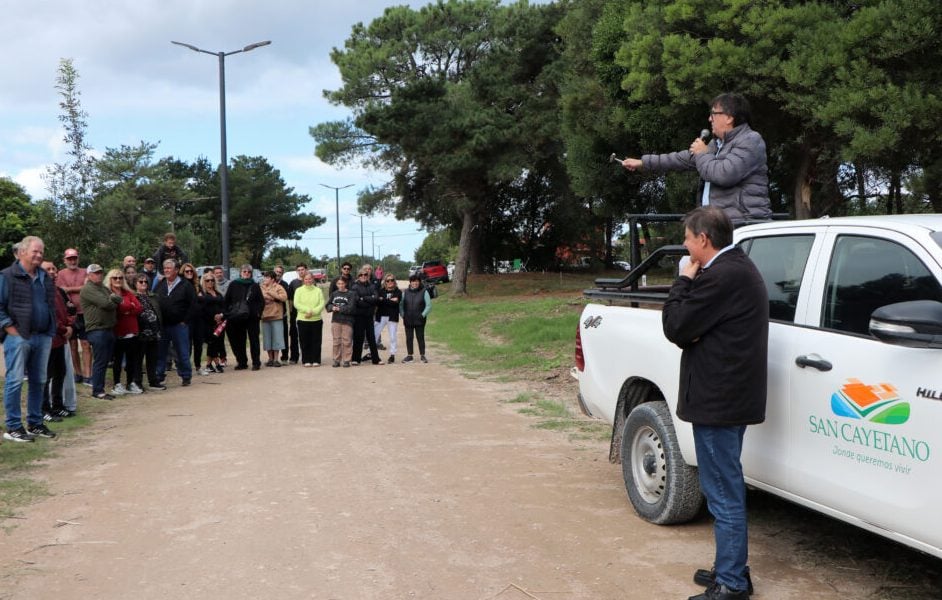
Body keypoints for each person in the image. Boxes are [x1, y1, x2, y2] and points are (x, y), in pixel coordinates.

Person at [661, 206, 768, 600]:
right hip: (727, 397)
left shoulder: (720, 276)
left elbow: (676, 326)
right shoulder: (735, 269)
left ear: (703, 239)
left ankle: (732, 584)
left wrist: (683, 281)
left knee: (722, 490)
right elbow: (693, 329)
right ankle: (731, 568)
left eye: (688, 239)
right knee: (724, 485)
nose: (686, 247)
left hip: (719, 402)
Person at [621, 93, 771, 225]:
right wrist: (643, 163)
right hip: (720, 227)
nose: (709, 119)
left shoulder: (751, 140)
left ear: (729, 118)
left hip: (743, 226)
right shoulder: (716, 144)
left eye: (713, 114)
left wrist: (702, 154)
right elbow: (681, 159)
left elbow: (724, 174)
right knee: (688, 258)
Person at [1, 236, 58, 441]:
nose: (39, 255)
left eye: (41, 251)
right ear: (23, 251)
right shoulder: (7, 275)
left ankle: (35, 423)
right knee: (15, 381)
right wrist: (10, 329)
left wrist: (52, 326)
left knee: (39, 381)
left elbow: (50, 304)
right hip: (18, 337)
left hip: (42, 336)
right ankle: (14, 427)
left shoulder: (44, 276)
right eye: (35, 251)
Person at [79, 263, 121, 400]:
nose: (99, 275)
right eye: (96, 273)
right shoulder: (88, 289)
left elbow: (118, 299)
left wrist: (112, 300)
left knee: (105, 360)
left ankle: (99, 388)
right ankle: (98, 390)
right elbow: (107, 304)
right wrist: (112, 300)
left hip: (107, 329)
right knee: (100, 361)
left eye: (100, 272)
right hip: (97, 329)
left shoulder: (103, 288)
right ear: (89, 275)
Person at [40, 260, 74, 421]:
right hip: (48, 339)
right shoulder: (40, 290)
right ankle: (44, 409)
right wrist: (63, 328)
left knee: (60, 372)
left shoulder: (58, 290)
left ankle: (58, 406)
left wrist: (70, 326)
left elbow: (67, 311)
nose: (53, 271)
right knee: (45, 376)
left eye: (54, 268)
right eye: (48, 269)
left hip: (60, 339)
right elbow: (49, 316)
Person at [154, 259, 196, 386]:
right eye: (164, 268)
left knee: (182, 351)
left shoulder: (186, 285)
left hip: (179, 325)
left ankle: (186, 376)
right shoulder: (161, 284)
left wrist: (185, 320)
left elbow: (193, 304)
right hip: (163, 325)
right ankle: (159, 376)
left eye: (169, 268)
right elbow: (154, 299)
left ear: (176, 270)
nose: (166, 270)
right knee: (160, 352)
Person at [57, 247, 92, 386]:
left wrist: (69, 289)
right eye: (69, 259)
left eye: (74, 258)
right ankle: (78, 373)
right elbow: (60, 291)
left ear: (78, 258)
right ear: (65, 260)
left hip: (84, 313)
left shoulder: (85, 272)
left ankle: (88, 375)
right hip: (69, 315)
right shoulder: (60, 273)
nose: (72, 261)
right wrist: (79, 287)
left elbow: (87, 287)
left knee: (86, 344)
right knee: (72, 345)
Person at [108, 268, 143, 396]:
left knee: (131, 359)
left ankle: (130, 383)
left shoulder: (127, 293)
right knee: (117, 360)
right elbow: (119, 309)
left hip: (132, 331)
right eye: (115, 278)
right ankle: (117, 383)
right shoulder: (109, 293)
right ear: (110, 280)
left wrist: (128, 309)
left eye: (120, 278)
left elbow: (139, 308)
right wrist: (128, 308)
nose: (118, 280)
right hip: (118, 331)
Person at [224, 265, 263, 371]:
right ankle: (242, 362)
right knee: (239, 341)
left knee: (254, 340)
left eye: (248, 272)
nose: (246, 273)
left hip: (252, 318)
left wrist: (258, 313)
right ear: (240, 272)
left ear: (251, 273)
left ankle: (256, 362)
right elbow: (227, 300)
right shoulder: (233, 284)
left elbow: (261, 301)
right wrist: (229, 313)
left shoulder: (255, 285)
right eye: (244, 271)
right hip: (238, 317)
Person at [133, 275, 165, 391]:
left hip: (154, 331)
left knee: (152, 358)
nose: (143, 283)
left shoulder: (153, 296)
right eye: (140, 281)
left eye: (146, 281)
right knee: (138, 359)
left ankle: (153, 380)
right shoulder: (133, 296)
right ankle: (137, 381)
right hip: (140, 332)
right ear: (135, 284)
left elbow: (159, 311)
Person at [350, 266, 383, 365]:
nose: (363, 276)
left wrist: (363, 298)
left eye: (365, 275)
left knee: (371, 338)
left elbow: (376, 299)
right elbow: (357, 301)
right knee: (358, 338)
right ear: (358, 276)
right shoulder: (354, 287)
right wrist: (369, 299)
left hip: (369, 315)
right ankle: (356, 359)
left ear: (368, 276)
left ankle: (375, 359)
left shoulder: (372, 286)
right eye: (361, 275)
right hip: (359, 316)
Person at [293, 271, 326, 367]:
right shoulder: (299, 290)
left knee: (316, 341)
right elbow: (296, 303)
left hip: (316, 319)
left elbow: (321, 303)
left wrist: (313, 312)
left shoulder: (318, 290)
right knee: (304, 340)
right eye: (306, 279)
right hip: (303, 319)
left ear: (313, 279)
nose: (308, 281)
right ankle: (306, 359)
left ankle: (316, 360)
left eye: (310, 279)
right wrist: (307, 310)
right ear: (303, 280)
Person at [400, 273, 431, 364]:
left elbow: (428, 306)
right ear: (410, 282)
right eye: (413, 281)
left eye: (417, 281)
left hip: (420, 319)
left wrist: (422, 315)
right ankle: (410, 356)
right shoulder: (405, 292)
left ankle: (422, 355)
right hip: (408, 319)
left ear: (419, 282)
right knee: (409, 338)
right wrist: (403, 314)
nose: (415, 283)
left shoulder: (424, 292)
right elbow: (401, 305)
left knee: (420, 337)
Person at [197, 272, 226, 374]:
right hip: (207, 322)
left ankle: (209, 364)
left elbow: (224, 307)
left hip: (220, 323)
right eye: (207, 280)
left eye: (212, 280)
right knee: (212, 342)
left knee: (216, 344)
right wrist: (213, 317)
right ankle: (217, 364)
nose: (210, 282)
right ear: (203, 282)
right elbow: (202, 310)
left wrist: (221, 315)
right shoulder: (202, 294)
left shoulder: (218, 294)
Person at [327, 275, 357, 367]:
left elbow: (351, 308)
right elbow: (328, 306)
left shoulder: (351, 294)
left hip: (347, 321)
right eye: (339, 283)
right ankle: (336, 360)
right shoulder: (334, 294)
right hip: (336, 320)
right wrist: (332, 307)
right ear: (336, 284)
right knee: (336, 341)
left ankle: (347, 360)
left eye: (342, 283)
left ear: (346, 284)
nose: (341, 285)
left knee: (347, 341)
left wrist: (339, 308)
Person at [260, 271, 288, 367]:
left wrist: (271, 293)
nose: (265, 279)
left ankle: (276, 359)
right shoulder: (260, 287)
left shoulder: (278, 287)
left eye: (267, 278)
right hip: (265, 316)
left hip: (276, 315)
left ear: (272, 279)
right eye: (265, 277)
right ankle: (270, 359)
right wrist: (270, 296)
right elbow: (259, 298)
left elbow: (284, 298)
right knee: (267, 338)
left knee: (277, 337)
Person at [374, 273, 401, 363]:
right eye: (388, 280)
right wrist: (390, 300)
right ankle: (372, 353)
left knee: (393, 336)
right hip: (380, 316)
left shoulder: (398, 291)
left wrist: (383, 300)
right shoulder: (381, 291)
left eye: (392, 280)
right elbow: (378, 302)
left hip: (392, 317)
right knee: (374, 335)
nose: (390, 282)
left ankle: (392, 354)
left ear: (394, 281)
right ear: (385, 282)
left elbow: (395, 303)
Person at [286, 263, 308, 364]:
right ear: (296, 271)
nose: (301, 271)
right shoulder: (293, 283)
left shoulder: (310, 282)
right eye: (298, 270)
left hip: (308, 313)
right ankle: (294, 357)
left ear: (306, 270)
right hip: (295, 313)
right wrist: (291, 312)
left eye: (302, 269)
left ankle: (307, 356)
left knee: (306, 335)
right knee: (294, 335)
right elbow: (290, 299)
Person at [273, 265, 291, 363]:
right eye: (276, 271)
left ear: (282, 274)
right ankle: (272, 358)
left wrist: (273, 297)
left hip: (282, 314)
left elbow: (285, 297)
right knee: (273, 336)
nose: (278, 274)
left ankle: (284, 357)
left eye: (280, 272)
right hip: (270, 315)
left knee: (284, 336)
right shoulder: (268, 283)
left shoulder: (284, 284)